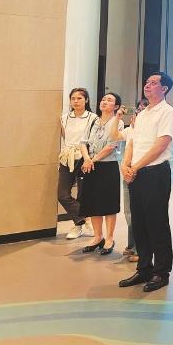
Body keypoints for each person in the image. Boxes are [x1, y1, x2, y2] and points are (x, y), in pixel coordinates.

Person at [118, 72, 173, 292]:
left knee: (157, 223)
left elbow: (160, 146)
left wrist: (135, 167)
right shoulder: (142, 114)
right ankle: (144, 268)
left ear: (164, 89)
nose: (147, 86)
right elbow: (132, 143)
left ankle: (161, 272)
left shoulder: (168, 113)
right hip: (136, 173)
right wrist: (126, 165)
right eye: (147, 82)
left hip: (155, 173)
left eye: (153, 83)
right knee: (139, 223)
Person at [78, 92, 124, 255]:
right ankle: (98, 237)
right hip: (90, 165)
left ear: (116, 106)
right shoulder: (93, 121)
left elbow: (112, 145)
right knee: (93, 203)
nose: (104, 102)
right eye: (103, 99)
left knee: (108, 203)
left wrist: (93, 159)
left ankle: (109, 238)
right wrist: (87, 159)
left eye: (109, 100)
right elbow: (82, 142)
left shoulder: (118, 122)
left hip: (108, 166)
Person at [58, 87, 97, 239]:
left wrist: (90, 158)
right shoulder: (64, 118)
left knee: (82, 194)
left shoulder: (93, 118)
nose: (75, 101)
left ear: (86, 100)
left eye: (79, 98)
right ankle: (86, 218)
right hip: (67, 158)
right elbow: (64, 136)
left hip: (84, 158)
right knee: (62, 195)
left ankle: (77, 226)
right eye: (73, 98)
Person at [113, 98, 148, 262]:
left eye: (141, 111)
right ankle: (132, 245)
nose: (136, 115)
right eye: (137, 111)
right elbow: (114, 135)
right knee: (129, 212)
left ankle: (140, 249)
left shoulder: (147, 133)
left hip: (140, 172)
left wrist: (130, 168)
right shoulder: (130, 130)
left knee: (139, 212)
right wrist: (117, 117)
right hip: (127, 172)